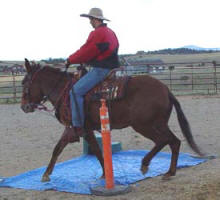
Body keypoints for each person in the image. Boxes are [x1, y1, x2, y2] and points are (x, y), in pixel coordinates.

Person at [66, 8, 119, 137]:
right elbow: (97, 51)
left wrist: (70, 59)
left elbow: (87, 50)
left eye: (90, 19)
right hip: (111, 67)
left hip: (101, 69)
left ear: (95, 19)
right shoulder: (110, 32)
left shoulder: (97, 33)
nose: (90, 22)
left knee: (75, 91)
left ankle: (78, 126)